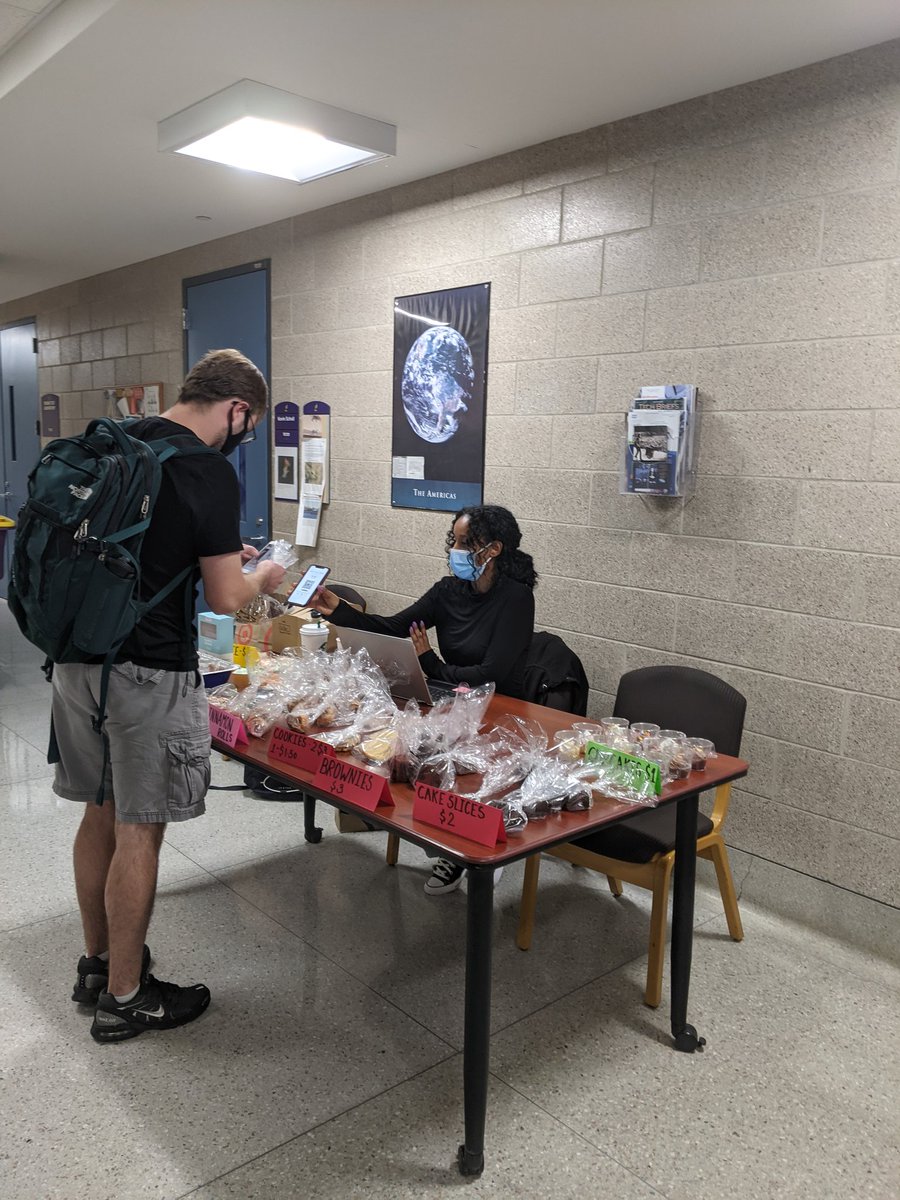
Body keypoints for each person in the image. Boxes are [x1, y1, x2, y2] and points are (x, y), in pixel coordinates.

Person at [53, 349, 287, 1043]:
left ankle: (97, 965)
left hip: (75, 660)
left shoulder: (115, 447)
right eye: (247, 425)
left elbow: (147, 550)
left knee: (100, 811)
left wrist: (217, 556)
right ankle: (128, 997)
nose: (241, 437)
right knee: (140, 826)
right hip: (146, 670)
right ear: (237, 410)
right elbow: (227, 599)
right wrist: (264, 575)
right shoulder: (203, 468)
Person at [312, 503, 537, 895]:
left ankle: (474, 841)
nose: (457, 549)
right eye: (456, 540)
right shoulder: (448, 591)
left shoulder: (516, 599)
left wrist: (430, 662)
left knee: (445, 755)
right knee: (401, 745)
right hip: (453, 699)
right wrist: (340, 612)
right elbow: (396, 627)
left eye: (466, 542)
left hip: (501, 709)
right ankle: (434, 830)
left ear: (494, 549)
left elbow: (490, 674)